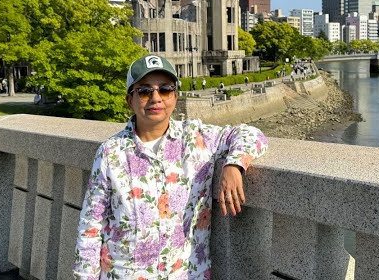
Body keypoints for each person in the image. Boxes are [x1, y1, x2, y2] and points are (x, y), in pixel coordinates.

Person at [74, 54, 268, 279]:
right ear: (130, 100)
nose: (155, 98)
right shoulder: (111, 153)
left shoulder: (196, 138)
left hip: (185, 273)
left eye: (164, 89)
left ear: (175, 96)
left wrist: (234, 165)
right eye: (144, 91)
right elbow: (91, 225)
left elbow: (252, 134)